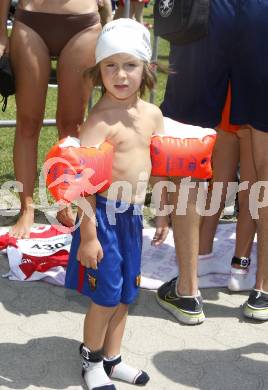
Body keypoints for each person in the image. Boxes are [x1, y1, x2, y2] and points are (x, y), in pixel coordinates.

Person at [65, 19, 169, 390]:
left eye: (130, 65)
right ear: (98, 72)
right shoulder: (98, 122)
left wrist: (162, 212)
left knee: (126, 294)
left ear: (147, 68)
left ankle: (113, 358)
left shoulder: (153, 116)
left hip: (132, 217)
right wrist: (89, 236)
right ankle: (90, 360)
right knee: (105, 297)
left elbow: (156, 169)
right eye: (111, 65)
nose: (120, 75)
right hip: (101, 218)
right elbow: (82, 184)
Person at [157, 0, 268, 322]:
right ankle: (262, 288)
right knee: (262, 161)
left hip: (206, 15)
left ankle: (188, 291)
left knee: (187, 151)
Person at [0, 0, 102, 238]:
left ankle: (66, 201)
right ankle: (27, 208)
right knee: (27, 122)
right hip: (31, 20)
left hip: (83, 22)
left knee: (72, 124)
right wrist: (1, 34)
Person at [198, 84, 257, 292]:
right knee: (251, 193)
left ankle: (202, 255)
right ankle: (239, 269)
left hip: (228, 95)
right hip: (255, 101)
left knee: (219, 185)